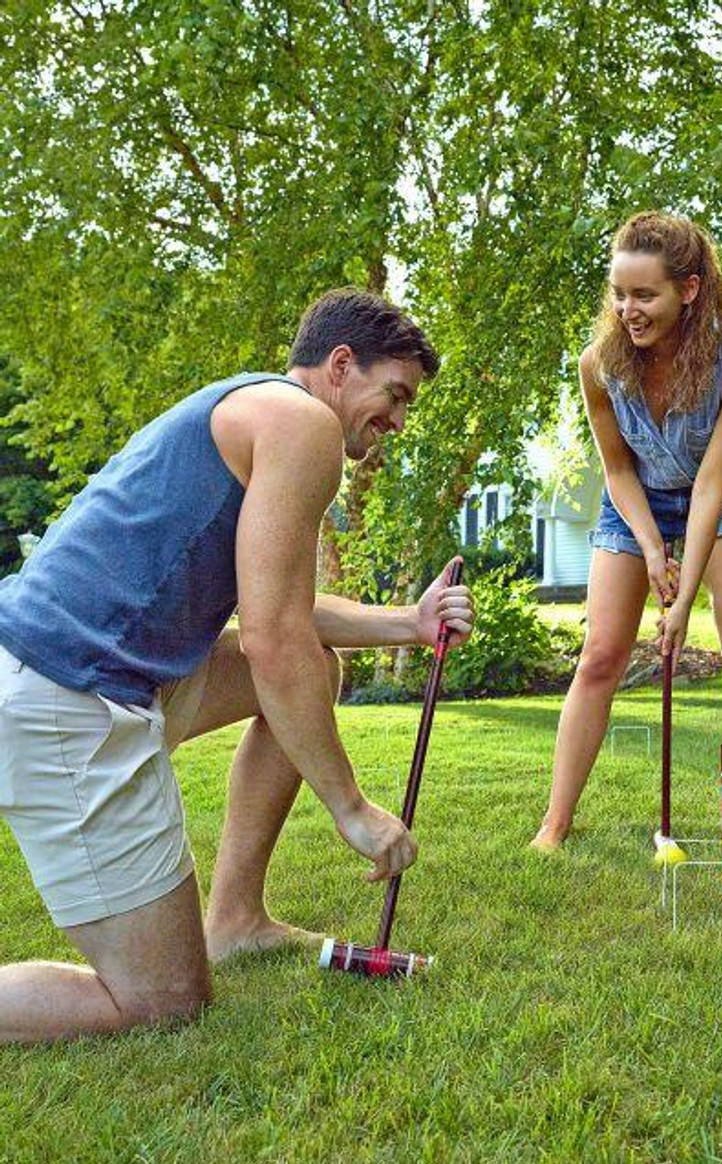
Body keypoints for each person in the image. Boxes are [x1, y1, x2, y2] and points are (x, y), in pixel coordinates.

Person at [0, 287, 476, 1042]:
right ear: (341, 364)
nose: (396, 421)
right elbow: (271, 636)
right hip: (67, 695)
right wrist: (351, 807)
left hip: (95, 673)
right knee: (163, 1001)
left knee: (317, 667)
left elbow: (282, 607)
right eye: (394, 395)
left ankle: (238, 919)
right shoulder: (301, 423)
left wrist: (409, 624)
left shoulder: (257, 409)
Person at [532, 211, 722, 848]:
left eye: (645, 295)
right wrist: (650, 548)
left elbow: (711, 483)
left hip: (718, 500)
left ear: (690, 290)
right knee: (599, 657)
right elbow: (616, 469)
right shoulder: (600, 365)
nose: (628, 310)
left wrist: (683, 601)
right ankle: (555, 824)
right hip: (635, 502)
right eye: (619, 294)